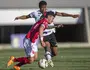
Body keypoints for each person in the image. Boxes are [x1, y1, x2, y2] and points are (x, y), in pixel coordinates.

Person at [14, 1, 79, 67]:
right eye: (42, 8)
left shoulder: (50, 12)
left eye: (45, 7)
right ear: (39, 7)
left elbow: (61, 14)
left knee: (55, 53)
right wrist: (19, 17)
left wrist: (72, 15)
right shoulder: (35, 13)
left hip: (51, 33)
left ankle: (46, 59)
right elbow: (26, 16)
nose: (44, 9)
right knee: (47, 46)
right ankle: (48, 60)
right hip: (43, 35)